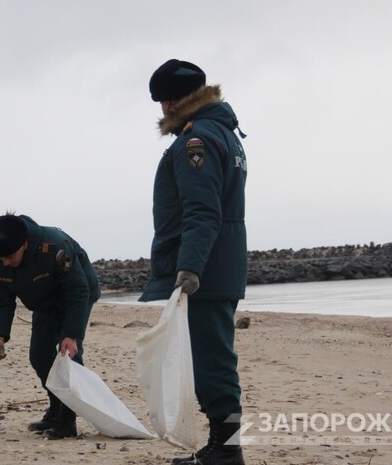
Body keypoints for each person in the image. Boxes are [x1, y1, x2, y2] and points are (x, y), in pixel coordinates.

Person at [139, 59, 248, 465]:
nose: (162, 108)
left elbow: (202, 212)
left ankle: (226, 448)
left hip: (208, 269)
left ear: (174, 99)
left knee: (211, 361)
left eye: (164, 99)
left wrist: (190, 268)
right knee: (215, 356)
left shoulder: (195, 141)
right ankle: (224, 444)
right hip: (222, 263)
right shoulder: (226, 133)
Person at [0, 213, 100, 439]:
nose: (4, 262)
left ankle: (67, 420)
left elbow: (77, 290)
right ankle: (56, 408)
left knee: (68, 356)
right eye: (0, 258)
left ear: (25, 244)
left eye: (9, 256)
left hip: (75, 297)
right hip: (43, 303)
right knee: (39, 356)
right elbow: (1, 300)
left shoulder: (56, 247)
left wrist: (71, 334)